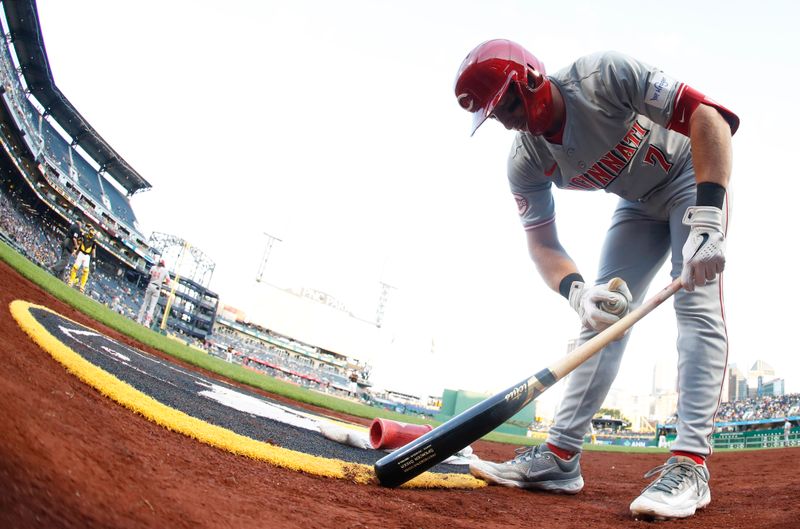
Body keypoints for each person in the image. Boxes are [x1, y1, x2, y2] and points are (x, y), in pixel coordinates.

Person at [454, 40, 738, 520]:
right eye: (493, 114)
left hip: (689, 173)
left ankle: (691, 463)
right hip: (636, 205)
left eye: (507, 102)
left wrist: (708, 218)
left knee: (694, 300)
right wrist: (577, 292)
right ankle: (560, 457)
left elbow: (710, 118)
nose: (506, 119)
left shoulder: (602, 76)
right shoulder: (524, 159)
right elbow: (543, 245)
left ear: (531, 78)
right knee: (603, 317)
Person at [136, 259, 171, 328]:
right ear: (163, 265)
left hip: (150, 284)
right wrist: (162, 282)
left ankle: (139, 320)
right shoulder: (165, 270)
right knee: (152, 307)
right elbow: (168, 281)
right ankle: (146, 323)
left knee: (145, 303)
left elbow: (148, 276)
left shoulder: (153, 267)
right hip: (157, 287)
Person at [67, 226, 97, 294]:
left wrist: (94, 260)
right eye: (90, 232)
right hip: (81, 253)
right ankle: (71, 281)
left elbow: (93, 250)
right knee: (75, 267)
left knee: (86, 271)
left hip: (87, 256)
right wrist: (76, 251)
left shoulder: (94, 240)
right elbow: (79, 244)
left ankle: (82, 286)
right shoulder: (84, 236)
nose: (91, 234)